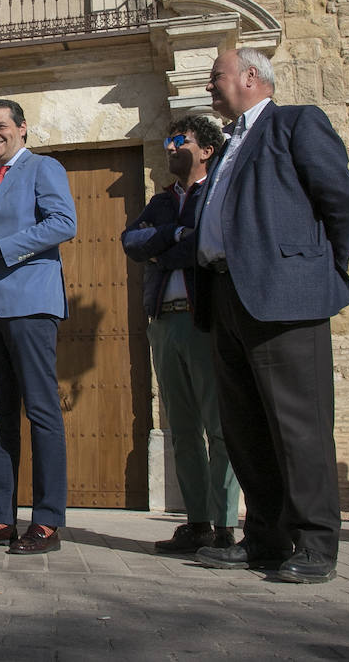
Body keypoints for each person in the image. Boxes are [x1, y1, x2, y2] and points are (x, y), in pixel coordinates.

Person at [191, 48, 349, 584]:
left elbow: (341, 198)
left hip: (286, 295)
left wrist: (315, 266)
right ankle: (265, 538)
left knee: (298, 427)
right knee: (246, 429)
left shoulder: (295, 123)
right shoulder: (227, 145)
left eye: (216, 76)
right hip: (226, 296)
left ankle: (315, 544)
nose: (209, 85)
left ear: (250, 76)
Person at [0, 99, 77, 555]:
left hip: (30, 306)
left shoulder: (44, 168)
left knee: (41, 411)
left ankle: (46, 522)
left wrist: (1, 249)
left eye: (0, 126)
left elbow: (64, 222)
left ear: (22, 128)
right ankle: (1, 518)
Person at [122, 114, 240, 554]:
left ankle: (226, 526)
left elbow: (206, 247)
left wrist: (164, 250)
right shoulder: (161, 202)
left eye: (180, 139)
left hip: (203, 319)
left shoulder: (217, 194)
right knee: (183, 428)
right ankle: (197, 522)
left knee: (218, 426)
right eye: (169, 139)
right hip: (164, 323)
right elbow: (131, 243)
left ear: (207, 150)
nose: (170, 146)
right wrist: (173, 234)